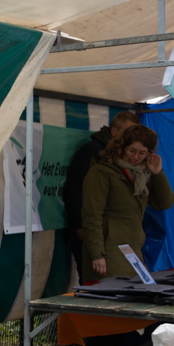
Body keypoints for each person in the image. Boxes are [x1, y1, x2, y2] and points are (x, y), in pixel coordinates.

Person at [74, 122, 174, 346]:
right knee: (105, 325)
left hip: (131, 255)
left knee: (117, 325)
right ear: (120, 145)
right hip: (107, 253)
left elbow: (164, 203)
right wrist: (96, 253)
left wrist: (158, 173)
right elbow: (91, 215)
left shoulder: (141, 173)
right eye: (132, 150)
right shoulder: (102, 171)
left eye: (143, 152)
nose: (136, 157)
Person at [63, 110, 140, 284]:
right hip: (91, 231)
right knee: (96, 284)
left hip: (114, 236)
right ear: (114, 131)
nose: (132, 138)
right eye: (128, 133)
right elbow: (75, 191)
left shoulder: (126, 157)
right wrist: (79, 226)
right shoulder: (93, 152)